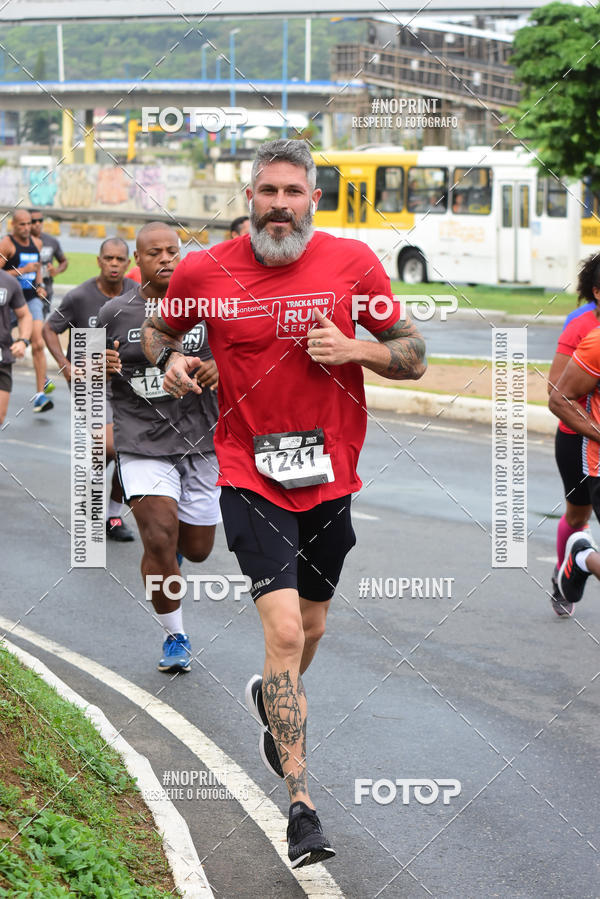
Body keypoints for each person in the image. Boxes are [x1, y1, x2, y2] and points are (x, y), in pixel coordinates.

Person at [139, 139, 426, 868]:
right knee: (287, 634)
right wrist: (169, 359)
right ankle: (301, 805)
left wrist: (357, 351)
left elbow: (415, 351)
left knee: (316, 623)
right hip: (248, 472)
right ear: (250, 200)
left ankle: (276, 701)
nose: (278, 204)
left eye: (292, 192)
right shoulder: (204, 269)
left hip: (331, 477)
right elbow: (155, 332)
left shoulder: (351, 263)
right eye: (267, 191)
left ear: (312, 201)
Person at [98, 222, 220, 672]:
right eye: (155, 252)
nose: (166, 258)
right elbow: (83, 373)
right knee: (159, 536)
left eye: (173, 250)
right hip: (141, 439)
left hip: (202, 440)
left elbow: (243, 355)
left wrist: (217, 368)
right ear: (138, 260)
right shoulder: (115, 311)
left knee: (199, 547)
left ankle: (170, 562)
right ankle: (176, 636)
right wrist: (100, 365)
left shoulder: (208, 305)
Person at [43, 238, 138, 541]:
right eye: (108, 258)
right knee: (111, 447)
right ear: (98, 261)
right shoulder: (79, 296)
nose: (113, 264)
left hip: (126, 385)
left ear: (128, 263)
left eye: (119, 259)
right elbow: (49, 328)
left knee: (128, 451)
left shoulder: (136, 295)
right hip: (90, 385)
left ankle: (111, 515)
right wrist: (64, 365)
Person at [546, 253, 600, 615]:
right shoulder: (581, 326)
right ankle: (565, 575)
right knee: (578, 515)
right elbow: (557, 391)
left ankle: (581, 559)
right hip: (576, 436)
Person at [0, 209, 51, 412]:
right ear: (13, 225)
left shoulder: (37, 242)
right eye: (22, 224)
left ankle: (40, 394)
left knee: (38, 342)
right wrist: (22, 271)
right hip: (8, 300)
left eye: (29, 223)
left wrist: (40, 285)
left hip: (29, 300)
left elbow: (37, 267)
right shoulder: (7, 243)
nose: (27, 228)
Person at [0, 269, 33, 425]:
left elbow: (25, 315)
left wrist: (22, 340)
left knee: (0, 417)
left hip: (3, 357)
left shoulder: (9, 282)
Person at [29, 210, 68, 316]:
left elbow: (64, 261)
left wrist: (56, 270)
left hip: (45, 288)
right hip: (25, 287)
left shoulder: (51, 241)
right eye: (34, 221)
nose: (37, 224)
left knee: (39, 323)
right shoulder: (21, 241)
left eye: (40, 221)